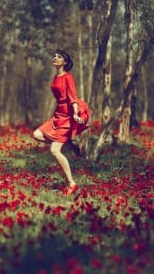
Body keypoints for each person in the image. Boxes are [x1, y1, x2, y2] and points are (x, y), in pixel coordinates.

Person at [33, 49, 90, 196]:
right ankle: (70, 144)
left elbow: (73, 97)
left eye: (59, 57)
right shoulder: (56, 77)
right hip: (58, 115)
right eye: (54, 56)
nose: (55, 58)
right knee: (37, 134)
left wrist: (76, 114)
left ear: (64, 62)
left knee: (54, 150)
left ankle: (72, 183)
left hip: (68, 116)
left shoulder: (68, 77)